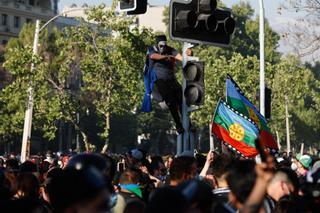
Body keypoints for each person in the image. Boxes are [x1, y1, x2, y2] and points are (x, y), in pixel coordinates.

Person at [142, 34, 192, 134]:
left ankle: (188, 124)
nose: (163, 48)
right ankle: (178, 124)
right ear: (157, 45)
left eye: (164, 45)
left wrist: (188, 55)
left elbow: (181, 58)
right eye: (161, 46)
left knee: (182, 100)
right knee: (171, 102)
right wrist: (165, 57)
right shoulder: (152, 50)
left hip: (171, 80)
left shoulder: (170, 49)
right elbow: (153, 56)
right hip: (159, 82)